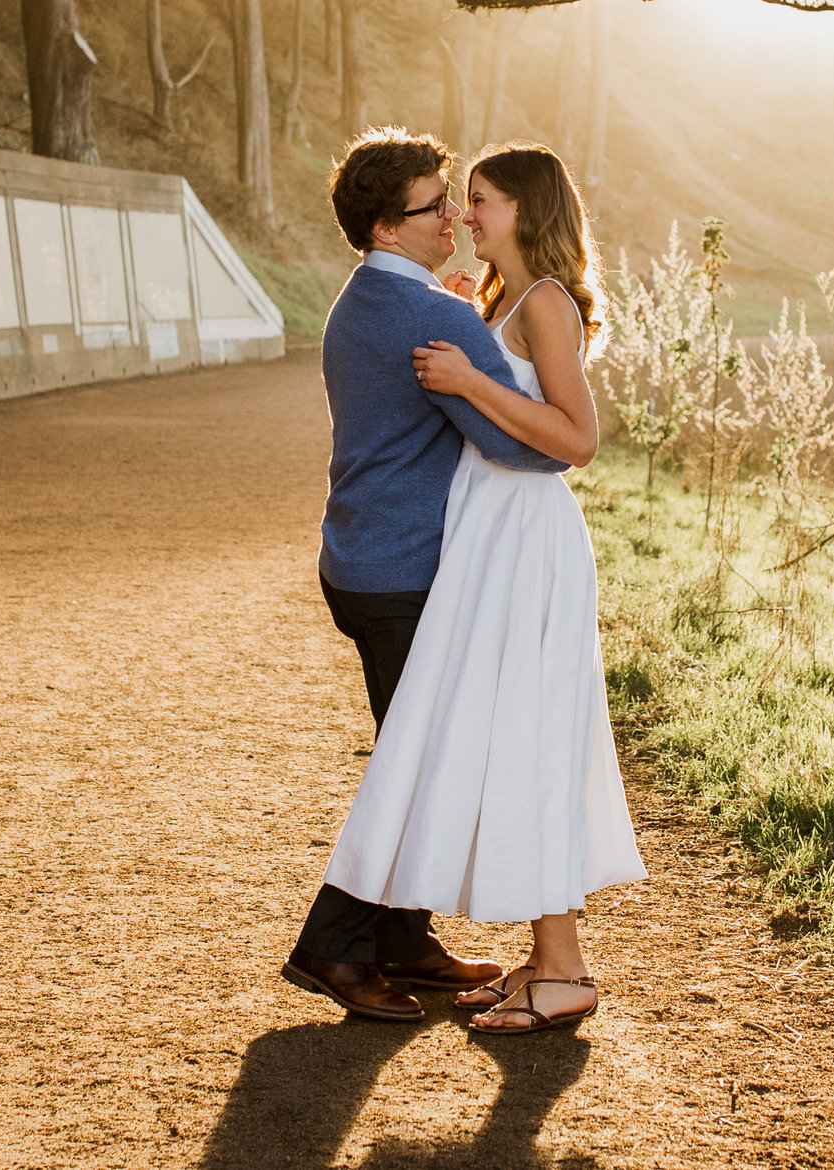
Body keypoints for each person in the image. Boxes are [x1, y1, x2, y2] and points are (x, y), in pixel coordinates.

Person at [323, 141, 646, 1037]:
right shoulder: (500, 300)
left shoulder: (544, 302)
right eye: (457, 202)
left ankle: (560, 967)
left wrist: (469, 376)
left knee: (530, 733)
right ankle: (547, 959)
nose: (466, 217)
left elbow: (576, 440)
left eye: (482, 202)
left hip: (526, 536)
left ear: (528, 213)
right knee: (510, 737)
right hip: (489, 536)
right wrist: (472, 335)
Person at [284, 129, 575, 1024]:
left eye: (457, 197)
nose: (453, 215)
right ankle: (335, 944)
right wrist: (478, 350)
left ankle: (405, 942)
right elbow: (522, 447)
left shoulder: (362, 299)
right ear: (386, 225)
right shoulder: (434, 317)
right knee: (417, 762)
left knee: (412, 744)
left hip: (359, 558)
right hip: (407, 573)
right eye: (434, 204)